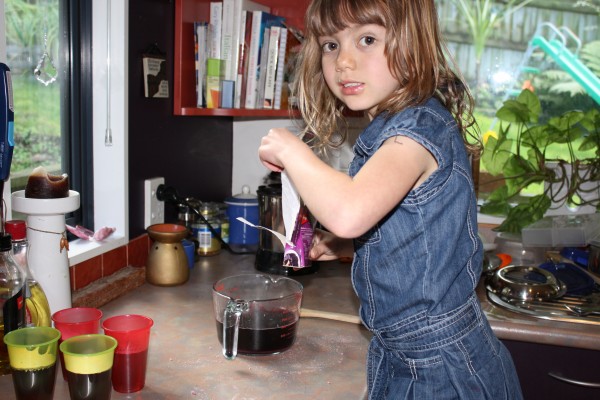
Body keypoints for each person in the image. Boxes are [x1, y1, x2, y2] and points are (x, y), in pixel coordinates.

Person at [258, 0, 523, 399]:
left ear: (412, 46)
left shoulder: (413, 132)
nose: (343, 61)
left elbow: (348, 212)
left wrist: (292, 150)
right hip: (410, 353)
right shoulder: (398, 127)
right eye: (331, 45)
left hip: (441, 367)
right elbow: (419, 233)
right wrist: (343, 245)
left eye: (366, 39)